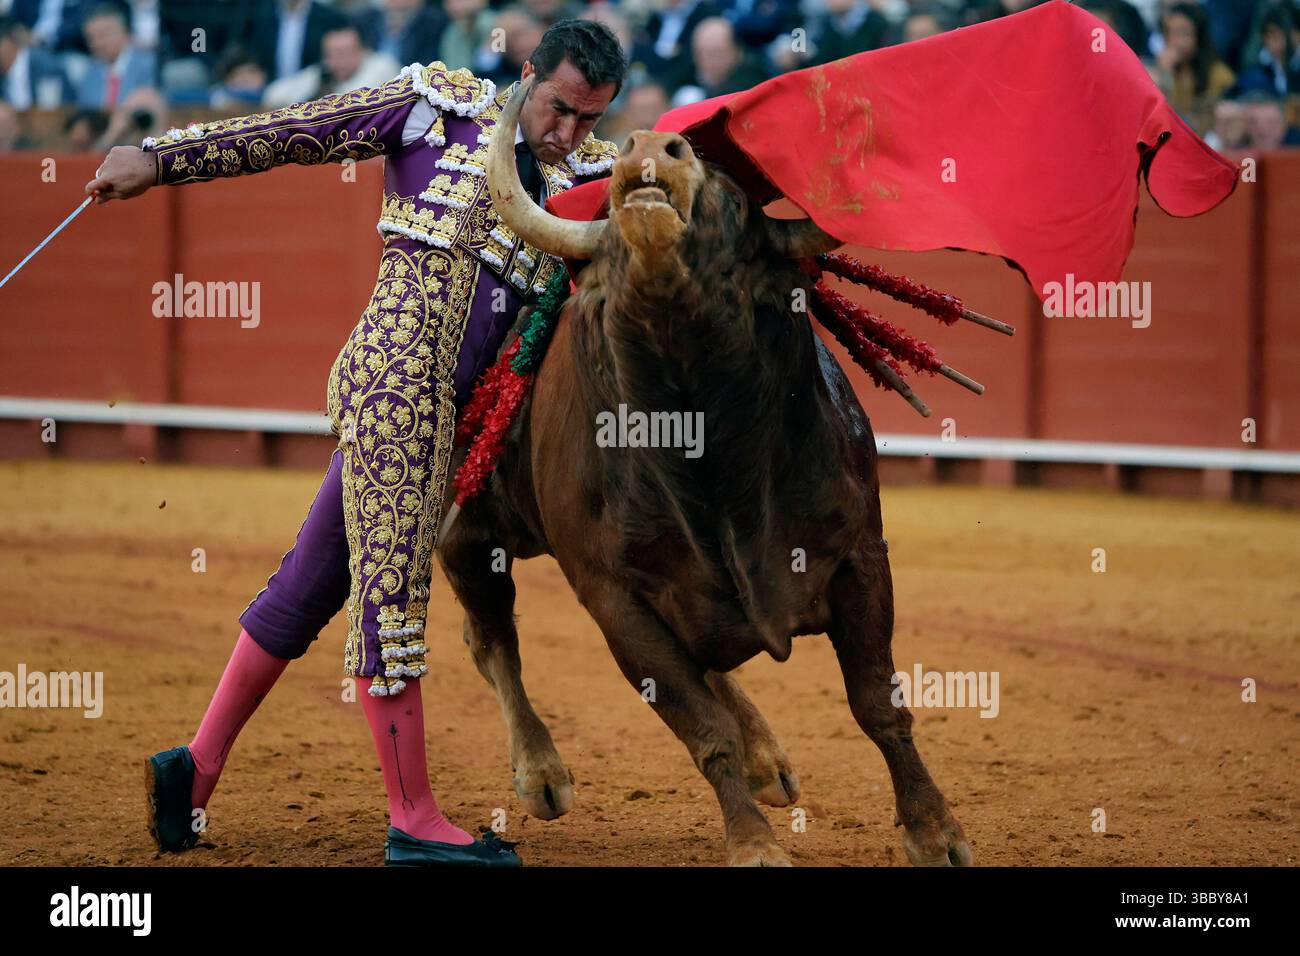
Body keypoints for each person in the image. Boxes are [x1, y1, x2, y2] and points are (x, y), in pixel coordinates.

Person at [85, 17, 627, 867]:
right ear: (530, 74)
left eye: (590, 120)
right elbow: (294, 131)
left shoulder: (591, 177)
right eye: (560, 109)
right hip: (395, 389)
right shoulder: (434, 110)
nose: (569, 134)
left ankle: (192, 771)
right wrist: (156, 160)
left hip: (457, 424)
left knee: (307, 587)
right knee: (393, 599)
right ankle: (412, 820)